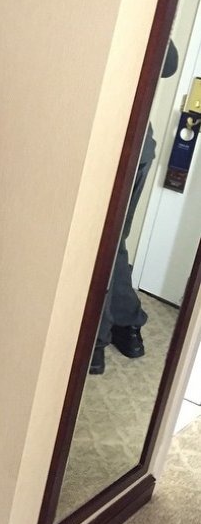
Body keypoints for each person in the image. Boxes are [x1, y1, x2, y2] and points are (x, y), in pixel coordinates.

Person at [90, 40, 178, 375]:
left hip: (124, 150)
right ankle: (127, 323)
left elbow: (168, 63)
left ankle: (96, 342)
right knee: (114, 244)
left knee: (103, 246)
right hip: (131, 146)